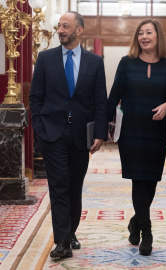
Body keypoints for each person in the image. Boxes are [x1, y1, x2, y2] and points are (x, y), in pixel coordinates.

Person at [29, 11, 107, 258]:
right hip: (52, 134)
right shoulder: (45, 58)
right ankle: (61, 241)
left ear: (79, 30)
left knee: (74, 186)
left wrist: (100, 134)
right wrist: (40, 128)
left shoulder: (94, 62)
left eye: (66, 26)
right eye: (59, 26)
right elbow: (35, 97)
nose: (60, 30)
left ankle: (70, 231)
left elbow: (100, 102)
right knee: (59, 186)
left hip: (80, 136)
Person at [107, 19, 166, 256]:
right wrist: (102, 130)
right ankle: (147, 233)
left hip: (157, 132)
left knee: (151, 182)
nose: (144, 36)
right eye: (140, 33)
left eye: (149, 32)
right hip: (131, 132)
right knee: (139, 180)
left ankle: (135, 221)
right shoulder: (126, 63)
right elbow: (113, 95)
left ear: (158, 37)